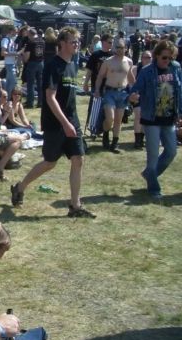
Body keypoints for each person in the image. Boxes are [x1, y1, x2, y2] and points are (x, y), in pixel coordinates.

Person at [11, 27, 96, 218]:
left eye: (78, 41)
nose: (77, 44)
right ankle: (20, 187)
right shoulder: (52, 65)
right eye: (73, 41)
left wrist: (71, 122)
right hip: (55, 123)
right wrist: (65, 123)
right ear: (62, 43)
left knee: (78, 159)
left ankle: (75, 205)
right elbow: (50, 97)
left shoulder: (72, 64)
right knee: (50, 162)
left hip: (72, 120)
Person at [128, 40, 182, 200]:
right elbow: (135, 89)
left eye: (171, 58)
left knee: (171, 151)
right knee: (152, 155)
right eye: (165, 57)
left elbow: (179, 91)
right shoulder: (147, 71)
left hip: (169, 117)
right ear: (156, 55)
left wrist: (180, 113)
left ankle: (149, 174)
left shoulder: (176, 68)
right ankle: (153, 188)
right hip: (151, 118)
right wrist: (133, 96)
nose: (167, 61)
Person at [93, 38, 135, 153]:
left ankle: (114, 143)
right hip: (110, 92)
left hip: (123, 93)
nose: (120, 50)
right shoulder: (108, 61)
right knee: (110, 118)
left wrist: (135, 90)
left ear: (126, 49)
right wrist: (97, 90)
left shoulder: (129, 61)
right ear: (115, 48)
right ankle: (105, 132)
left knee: (118, 119)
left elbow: (130, 77)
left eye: (122, 47)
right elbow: (100, 76)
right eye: (118, 47)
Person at [131, 50, 152, 149]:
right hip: (138, 95)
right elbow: (132, 84)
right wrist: (134, 95)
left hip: (149, 97)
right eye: (145, 57)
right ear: (141, 58)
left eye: (149, 57)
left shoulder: (154, 69)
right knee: (139, 114)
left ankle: (141, 138)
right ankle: (137, 139)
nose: (147, 59)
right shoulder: (136, 68)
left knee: (146, 117)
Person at [22, 28, 45, 108]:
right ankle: (40, 102)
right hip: (41, 63)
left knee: (30, 84)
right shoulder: (42, 41)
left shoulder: (30, 42)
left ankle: (30, 102)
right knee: (40, 83)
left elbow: (27, 56)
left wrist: (24, 59)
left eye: (28, 34)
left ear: (30, 34)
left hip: (32, 63)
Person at [0, 26, 19, 96]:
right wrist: (14, 54)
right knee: (12, 82)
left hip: (12, 63)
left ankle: (7, 97)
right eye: (15, 32)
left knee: (9, 82)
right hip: (9, 63)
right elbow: (3, 53)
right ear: (11, 31)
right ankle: (7, 97)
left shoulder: (12, 40)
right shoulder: (5, 40)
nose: (16, 33)